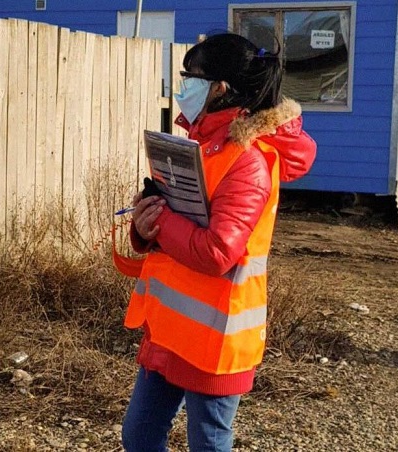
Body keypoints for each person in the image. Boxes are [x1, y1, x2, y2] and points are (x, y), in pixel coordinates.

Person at [121, 33, 317, 452]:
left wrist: (166, 221)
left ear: (219, 88)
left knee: (208, 444)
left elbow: (216, 252)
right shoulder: (197, 146)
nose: (181, 86)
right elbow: (169, 231)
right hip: (168, 329)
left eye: (189, 76)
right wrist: (145, 224)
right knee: (138, 437)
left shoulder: (247, 162)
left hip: (215, 339)